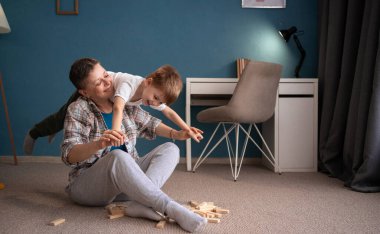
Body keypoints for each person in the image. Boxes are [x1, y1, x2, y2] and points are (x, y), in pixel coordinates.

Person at [61, 58, 207, 233]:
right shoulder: (78, 109)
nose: (108, 81)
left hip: (124, 185)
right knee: (117, 156)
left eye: (106, 75)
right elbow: (69, 155)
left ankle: (141, 203)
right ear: (84, 92)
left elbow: (151, 124)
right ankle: (171, 208)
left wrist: (177, 134)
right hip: (87, 187)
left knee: (171, 148)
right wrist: (99, 144)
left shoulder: (125, 102)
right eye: (99, 82)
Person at [23, 64, 201, 154]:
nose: (155, 103)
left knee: (60, 121)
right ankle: (35, 132)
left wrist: (186, 129)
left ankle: (56, 127)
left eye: (159, 101)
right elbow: (118, 107)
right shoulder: (130, 85)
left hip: (104, 94)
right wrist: (115, 132)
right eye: (155, 98)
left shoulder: (151, 96)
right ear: (148, 82)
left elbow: (168, 111)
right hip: (93, 90)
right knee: (61, 116)